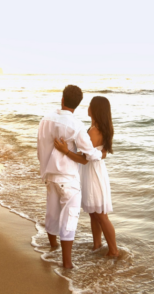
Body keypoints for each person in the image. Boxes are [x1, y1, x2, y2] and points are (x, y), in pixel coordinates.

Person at [37, 85, 104, 269]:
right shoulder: (76, 125)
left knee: (51, 213)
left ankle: (52, 249)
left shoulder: (45, 120)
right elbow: (89, 154)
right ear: (77, 105)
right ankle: (67, 263)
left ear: (62, 99)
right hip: (68, 178)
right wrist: (101, 154)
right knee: (69, 218)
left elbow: (40, 147)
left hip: (50, 176)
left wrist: (45, 168)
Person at [53, 96, 119, 257]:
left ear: (96, 110)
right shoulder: (99, 128)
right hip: (94, 171)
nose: (87, 107)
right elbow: (98, 154)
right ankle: (97, 245)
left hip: (92, 173)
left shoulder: (94, 131)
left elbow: (84, 159)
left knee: (101, 214)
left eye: (90, 105)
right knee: (94, 212)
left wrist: (66, 151)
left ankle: (114, 251)